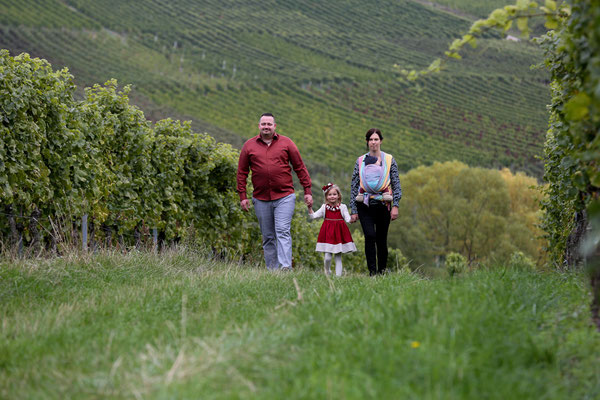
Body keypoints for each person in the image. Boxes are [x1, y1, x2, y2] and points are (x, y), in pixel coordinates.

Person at [237, 113, 313, 271]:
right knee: (268, 236)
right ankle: (272, 270)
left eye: (269, 124)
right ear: (259, 126)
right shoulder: (249, 146)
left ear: (274, 126)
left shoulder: (287, 143)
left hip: (284, 196)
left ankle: (285, 268)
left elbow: (299, 167)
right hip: (260, 199)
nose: (266, 127)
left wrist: (307, 190)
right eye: (263, 124)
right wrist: (242, 196)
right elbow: (242, 172)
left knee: (282, 231)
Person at [349, 128, 402, 276]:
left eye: (376, 139)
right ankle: (372, 272)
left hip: (383, 204)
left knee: (381, 239)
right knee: (370, 236)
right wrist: (353, 209)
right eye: (371, 140)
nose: (373, 142)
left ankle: (382, 272)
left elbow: (396, 184)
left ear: (381, 141)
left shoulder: (389, 160)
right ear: (367, 142)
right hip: (364, 204)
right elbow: (354, 185)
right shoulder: (360, 161)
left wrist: (396, 205)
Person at [308, 183, 357, 276]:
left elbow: (347, 219)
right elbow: (314, 216)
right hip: (328, 234)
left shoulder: (342, 207)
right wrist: (310, 208)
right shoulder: (324, 207)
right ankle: (327, 271)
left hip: (339, 234)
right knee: (327, 257)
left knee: (338, 257)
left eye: (334, 194)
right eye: (329, 195)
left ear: (338, 196)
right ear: (326, 197)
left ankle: (338, 278)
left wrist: (352, 219)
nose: (332, 196)